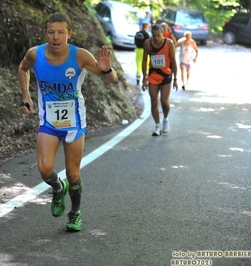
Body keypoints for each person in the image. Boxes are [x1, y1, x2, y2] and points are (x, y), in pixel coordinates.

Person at [18, 12, 118, 232]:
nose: (56, 37)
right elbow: (22, 68)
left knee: (73, 174)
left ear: (69, 34)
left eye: (61, 32)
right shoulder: (35, 55)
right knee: (45, 169)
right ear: (45, 33)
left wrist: (107, 68)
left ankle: (75, 213)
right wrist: (26, 95)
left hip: (74, 122)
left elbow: (110, 80)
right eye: (51, 32)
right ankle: (57, 187)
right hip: (49, 122)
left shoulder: (80, 56)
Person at [142, 24, 178, 136]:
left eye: (158, 35)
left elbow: (173, 61)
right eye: (154, 35)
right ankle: (157, 126)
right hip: (153, 76)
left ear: (163, 33)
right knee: (154, 101)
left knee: (164, 101)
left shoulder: (169, 43)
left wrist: (176, 78)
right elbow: (144, 61)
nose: (156, 38)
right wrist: (144, 79)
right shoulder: (148, 43)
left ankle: (166, 119)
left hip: (166, 75)